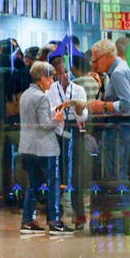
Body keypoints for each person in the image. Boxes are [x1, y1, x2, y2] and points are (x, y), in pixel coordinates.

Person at [86, 39, 130, 230]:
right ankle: (122, 219)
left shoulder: (118, 73)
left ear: (106, 56)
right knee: (120, 172)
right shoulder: (129, 68)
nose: (94, 65)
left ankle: (120, 221)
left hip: (119, 127)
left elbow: (128, 104)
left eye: (96, 60)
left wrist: (104, 106)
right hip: (129, 125)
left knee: (116, 175)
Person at [17, 61, 65, 235]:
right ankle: (55, 221)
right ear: (43, 78)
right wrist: (57, 118)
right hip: (45, 149)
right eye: (51, 77)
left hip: (28, 147)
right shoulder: (42, 97)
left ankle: (27, 221)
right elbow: (45, 124)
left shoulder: (25, 95)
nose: (52, 82)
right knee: (53, 184)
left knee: (34, 185)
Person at [45, 52, 89, 231]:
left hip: (75, 132)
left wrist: (77, 108)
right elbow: (49, 112)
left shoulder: (78, 90)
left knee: (77, 176)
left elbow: (84, 114)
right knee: (57, 176)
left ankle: (79, 217)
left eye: (67, 72)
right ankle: (56, 217)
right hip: (57, 134)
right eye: (61, 72)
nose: (65, 76)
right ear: (55, 73)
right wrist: (58, 112)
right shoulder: (50, 91)